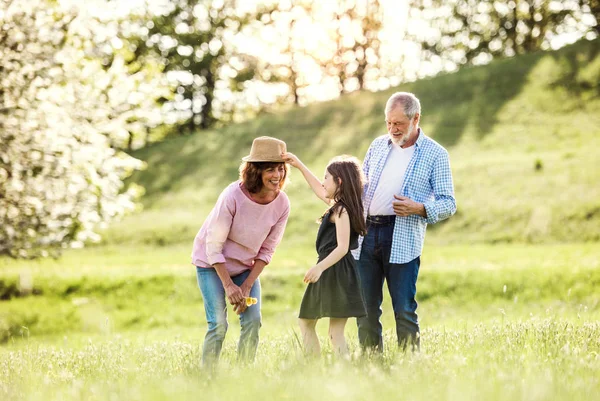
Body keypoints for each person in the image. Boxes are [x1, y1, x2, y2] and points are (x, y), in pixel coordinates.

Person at [353, 92, 457, 352]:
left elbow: (448, 203)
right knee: (365, 309)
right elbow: (361, 186)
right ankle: (371, 363)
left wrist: (419, 208)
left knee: (404, 309)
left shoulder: (436, 154)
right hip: (367, 234)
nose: (392, 129)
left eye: (398, 123)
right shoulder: (377, 145)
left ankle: (410, 366)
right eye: (388, 123)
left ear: (416, 118)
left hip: (402, 237)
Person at [191, 136, 291, 368]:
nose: (277, 175)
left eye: (280, 169)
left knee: (253, 320)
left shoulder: (282, 203)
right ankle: (207, 378)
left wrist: (246, 285)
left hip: (245, 267)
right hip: (211, 264)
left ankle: (243, 376)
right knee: (218, 325)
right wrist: (228, 286)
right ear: (255, 171)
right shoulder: (232, 195)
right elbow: (214, 245)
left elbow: (267, 250)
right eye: (270, 170)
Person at [281, 152, 367, 357]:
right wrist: (299, 164)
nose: (323, 182)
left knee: (313, 324)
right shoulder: (340, 207)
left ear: (339, 181)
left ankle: (320, 369)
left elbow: (343, 247)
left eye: (326, 178)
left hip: (334, 270)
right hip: (336, 270)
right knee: (328, 329)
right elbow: (320, 190)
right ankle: (335, 370)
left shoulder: (341, 211)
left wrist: (319, 267)